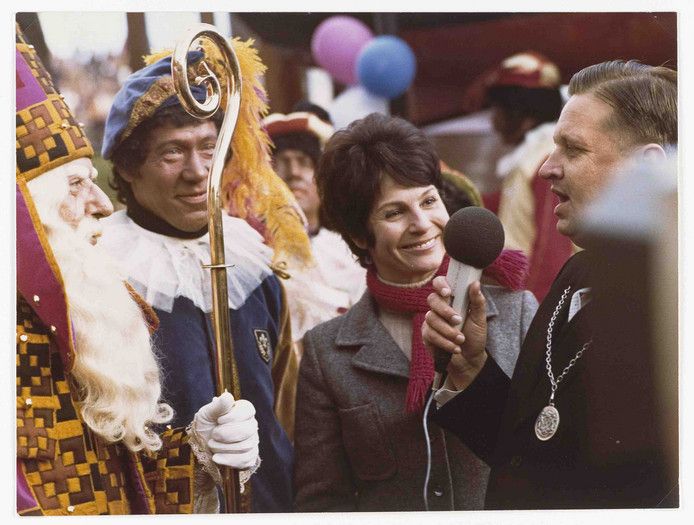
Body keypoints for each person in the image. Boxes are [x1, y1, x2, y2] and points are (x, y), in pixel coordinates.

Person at [15, 27, 259, 515]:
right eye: (76, 185)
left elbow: (115, 478)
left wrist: (198, 456)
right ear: (24, 216)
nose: (101, 203)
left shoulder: (78, 315)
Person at [422, 60, 677, 509]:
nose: (545, 168)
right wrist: (470, 367)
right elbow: (530, 453)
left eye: (572, 150)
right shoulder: (576, 274)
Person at [98, 40, 311, 513]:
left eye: (208, 148)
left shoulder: (255, 266)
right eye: (172, 153)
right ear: (129, 167)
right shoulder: (104, 275)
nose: (198, 173)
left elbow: (288, 409)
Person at [293, 113, 538, 511]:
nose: (422, 224)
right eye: (394, 213)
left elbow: (547, 457)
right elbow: (321, 502)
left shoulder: (518, 312)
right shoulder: (327, 352)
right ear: (358, 235)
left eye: (428, 201)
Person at [263, 104, 366, 351]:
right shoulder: (257, 249)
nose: (294, 173)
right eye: (282, 162)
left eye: (304, 162)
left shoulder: (347, 247)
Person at [483, 51, 575, 302]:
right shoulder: (534, 155)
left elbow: (550, 255)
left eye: (497, 109)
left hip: (533, 304)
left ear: (519, 112)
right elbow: (501, 205)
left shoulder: (546, 161)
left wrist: (535, 316)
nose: (492, 120)